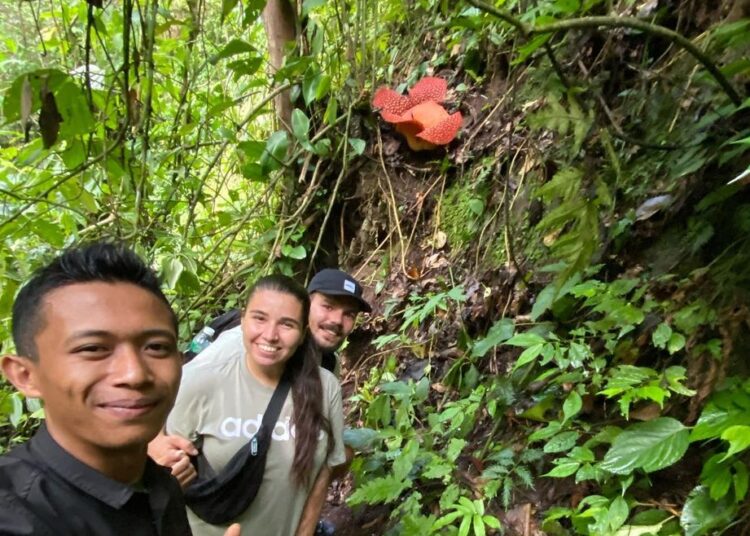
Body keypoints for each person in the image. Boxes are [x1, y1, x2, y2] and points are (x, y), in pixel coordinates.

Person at [0, 242, 241, 536]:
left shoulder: (161, 485)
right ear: (25, 375)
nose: (134, 374)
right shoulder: (14, 516)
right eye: (93, 348)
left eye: (156, 347)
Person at [162, 275, 346, 536]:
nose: (270, 335)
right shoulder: (201, 379)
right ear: (243, 320)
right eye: (259, 318)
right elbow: (158, 466)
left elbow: (322, 474)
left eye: (287, 324)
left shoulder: (325, 387)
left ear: (303, 332)